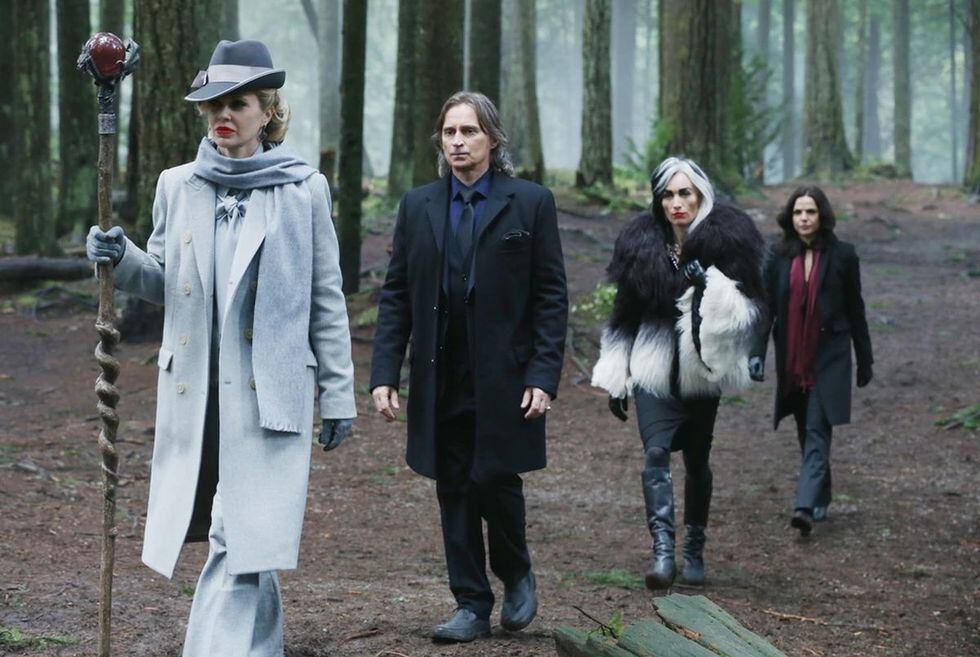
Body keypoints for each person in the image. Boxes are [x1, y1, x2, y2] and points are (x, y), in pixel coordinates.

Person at [85, 40, 355, 656]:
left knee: (240, 532)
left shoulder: (304, 189)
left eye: (238, 103)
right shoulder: (178, 185)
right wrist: (120, 257)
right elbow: (164, 282)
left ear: (268, 111)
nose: (222, 115)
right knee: (244, 535)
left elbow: (326, 296)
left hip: (269, 391)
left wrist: (339, 393)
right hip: (196, 391)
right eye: (212, 105)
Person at [370, 91, 568, 642]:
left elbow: (551, 296)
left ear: (493, 139)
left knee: (495, 477)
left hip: (507, 374)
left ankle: (516, 571)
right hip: (440, 373)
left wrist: (543, 375)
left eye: (470, 131)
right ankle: (471, 604)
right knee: (454, 484)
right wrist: (385, 373)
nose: (458, 142)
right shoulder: (418, 206)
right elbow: (397, 296)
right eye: (450, 132)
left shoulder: (531, 203)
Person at [591, 157, 765, 589]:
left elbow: (750, 311)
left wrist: (711, 286)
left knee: (697, 459)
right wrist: (616, 374)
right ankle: (663, 552)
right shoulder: (640, 244)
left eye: (685, 193)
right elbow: (624, 313)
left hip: (702, 370)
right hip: (651, 366)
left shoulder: (728, 239)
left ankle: (694, 549)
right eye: (667, 195)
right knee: (655, 452)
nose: (676, 203)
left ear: (701, 195)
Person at [749, 186, 873, 537]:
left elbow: (856, 309)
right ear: (790, 217)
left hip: (830, 358)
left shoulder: (843, 256)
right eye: (798, 212)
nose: (804, 218)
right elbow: (766, 309)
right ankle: (822, 493)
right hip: (792, 359)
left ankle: (803, 506)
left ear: (822, 216)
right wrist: (756, 353)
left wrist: (865, 360)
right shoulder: (777, 256)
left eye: (811, 212)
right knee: (807, 430)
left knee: (818, 427)